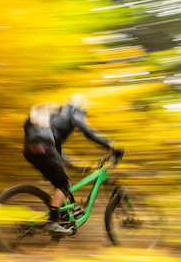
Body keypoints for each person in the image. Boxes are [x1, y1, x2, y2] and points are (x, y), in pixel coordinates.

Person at [23, 93, 123, 236]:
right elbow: (89, 133)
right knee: (64, 183)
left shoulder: (54, 118)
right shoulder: (72, 111)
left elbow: (57, 152)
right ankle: (52, 223)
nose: (83, 116)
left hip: (30, 149)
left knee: (59, 182)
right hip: (44, 146)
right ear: (80, 108)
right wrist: (111, 145)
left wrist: (79, 165)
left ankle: (58, 217)